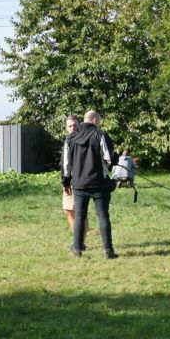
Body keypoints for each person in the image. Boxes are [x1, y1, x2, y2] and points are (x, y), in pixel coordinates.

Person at [62, 110, 118, 259]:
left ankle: (77, 249)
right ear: (94, 120)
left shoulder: (70, 138)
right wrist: (114, 162)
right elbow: (109, 158)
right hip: (99, 183)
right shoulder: (100, 135)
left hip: (79, 184)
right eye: (98, 122)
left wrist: (66, 181)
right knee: (103, 216)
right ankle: (108, 251)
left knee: (80, 217)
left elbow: (66, 164)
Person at [60, 115, 84, 234]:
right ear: (66, 128)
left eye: (75, 125)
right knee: (69, 210)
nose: (72, 128)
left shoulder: (82, 140)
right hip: (70, 179)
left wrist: (66, 182)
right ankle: (79, 237)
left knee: (75, 211)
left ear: (79, 126)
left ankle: (78, 240)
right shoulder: (68, 140)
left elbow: (67, 164)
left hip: (76, 180)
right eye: (70, 126)